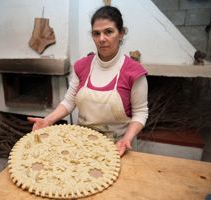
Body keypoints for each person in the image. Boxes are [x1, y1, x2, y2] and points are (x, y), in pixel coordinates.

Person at [28, 5, 148, 156]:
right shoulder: (82, 66)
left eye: (108, 32)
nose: (102, 39)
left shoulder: (134, 72)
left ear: (121, 33)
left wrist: (127, 139)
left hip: (118, 147)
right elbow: (69, 101)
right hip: (84, 144)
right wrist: (48, 120)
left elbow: (140, 113)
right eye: (96, 33)